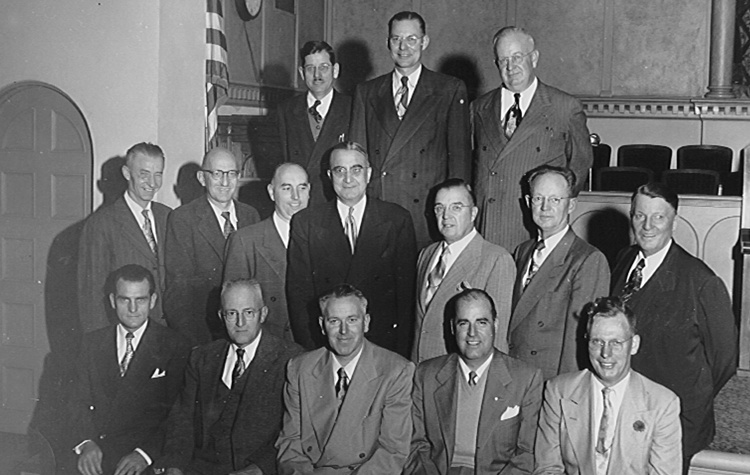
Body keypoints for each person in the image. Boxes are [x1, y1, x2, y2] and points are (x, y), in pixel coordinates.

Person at [610, 182, 737, 472]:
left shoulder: (701, 281)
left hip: (673, 419)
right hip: (623, 406)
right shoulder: (624, 259)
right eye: (639, 216)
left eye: (659, 217)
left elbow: (725, 361)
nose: (647, 226)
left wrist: (689, 400)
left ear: (674, 221)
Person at [349, 11, 471, 248]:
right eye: (396, 39)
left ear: (424, 42)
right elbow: (357, 161)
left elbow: (459, 161)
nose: (403, 47)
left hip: (425, 212)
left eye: (411, 39)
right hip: (379, 210)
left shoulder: (449, 89)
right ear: (388, 43)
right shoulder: (367, 91)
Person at [155, 279, 302, 475]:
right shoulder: (202, 358)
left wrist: (260, 468)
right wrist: (174, 465)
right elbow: (182, 420)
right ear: (221, 316)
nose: (240, 323)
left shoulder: (290, 359)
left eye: (248, 313)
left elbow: (296, 431)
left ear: (263, 314)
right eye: (231, 313)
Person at [286, 141, 417, 357]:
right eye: (340, 171)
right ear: (329, 175)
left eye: (356, 170)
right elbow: (299, 295)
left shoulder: (396, 219)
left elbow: (406, 299)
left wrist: (398, 354)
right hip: (326, 347)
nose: (348, 179)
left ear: (369, 173)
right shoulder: (306, 223)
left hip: (381, 346)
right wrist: (312, 352)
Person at [472, 26, 592, 252]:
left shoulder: (564, 107)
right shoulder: (479, 108)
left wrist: (552, 216)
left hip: (533, 229)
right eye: (503, 60)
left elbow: (580, 164)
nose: (511, 66)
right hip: (487, 229)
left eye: (517, 57)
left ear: (534, 58)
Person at [534, 297, 682, 474]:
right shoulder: (559, 391)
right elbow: (546, 468)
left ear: (633, 345)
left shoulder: (662, 403)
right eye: (597, 342)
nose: (605, 353)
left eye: (616, 343)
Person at [276, 284, 414, 474]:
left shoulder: (395, 371)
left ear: (366, 322)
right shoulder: (300, 368)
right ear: (322, 325)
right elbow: (290, 442)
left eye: (352, 320)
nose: (343, 331)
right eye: (334, 321)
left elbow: (393, 451)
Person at [70, 264, 190, 475]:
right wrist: (86, 442)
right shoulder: (91, 343)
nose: (133, 309)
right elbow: (76, 401)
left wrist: (144, 454)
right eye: (125, 299)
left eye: (140, 300)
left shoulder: (175, 345)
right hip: (97, 451)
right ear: (112, 301)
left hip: (147, 455)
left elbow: (178, 414)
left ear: (152, 301)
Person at [406, 289, 543, 474]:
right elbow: (415, 445)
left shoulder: (526, 378)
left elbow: (526, 454)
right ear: (453, 328)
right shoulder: (426, 375)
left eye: (481, 322)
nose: (472, 333)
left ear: (495, 324)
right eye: (464, 323)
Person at [509, 165, 609, 379]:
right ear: (528, 202)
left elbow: (578, 342)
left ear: (571, 204)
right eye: (538, 198)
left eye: (555, 200)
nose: (545, 207)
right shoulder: (523, 251)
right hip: (514, 374)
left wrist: (564, 394)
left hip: (548, 379)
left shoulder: (587, 259)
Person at [164, 147, 260, 346]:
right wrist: (194, 344)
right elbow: (179, 292)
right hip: (204, 335)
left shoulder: (251, 215)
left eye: (231, 174)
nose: (225, 182)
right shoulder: (183, 218)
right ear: (201, 178)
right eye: (217, 174)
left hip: (248, 333)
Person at [412, 178, 514, 363]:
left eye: (456, 207)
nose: (446, 216)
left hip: (458, 373)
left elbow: (496, 337)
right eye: (439, 208)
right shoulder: (426, 255)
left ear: (474, 213)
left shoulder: (496, 259)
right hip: (420, 371)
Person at [78, 142, 171, 332]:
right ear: (127, 173)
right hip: (123, 334)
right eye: (144, 174)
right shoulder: (101, 224)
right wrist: (100, 347)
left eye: (158, 174)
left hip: (165, 333)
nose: (153, 184)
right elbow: (92, 296)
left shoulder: (168, 217)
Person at [223, 163, 311, 341]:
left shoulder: (323, 238)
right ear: (272, 192)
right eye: (286, 188)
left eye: (301, 188)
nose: (296, 197)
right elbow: (234, 309)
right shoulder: (245, 240)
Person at [276, 40, 351, 204]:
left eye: (324, 67)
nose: (317, 75)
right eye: (311, 68)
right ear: (302, 73)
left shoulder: (352, 108)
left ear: (335, 70)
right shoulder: (286, 110)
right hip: (299, 202)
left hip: (336, 202)